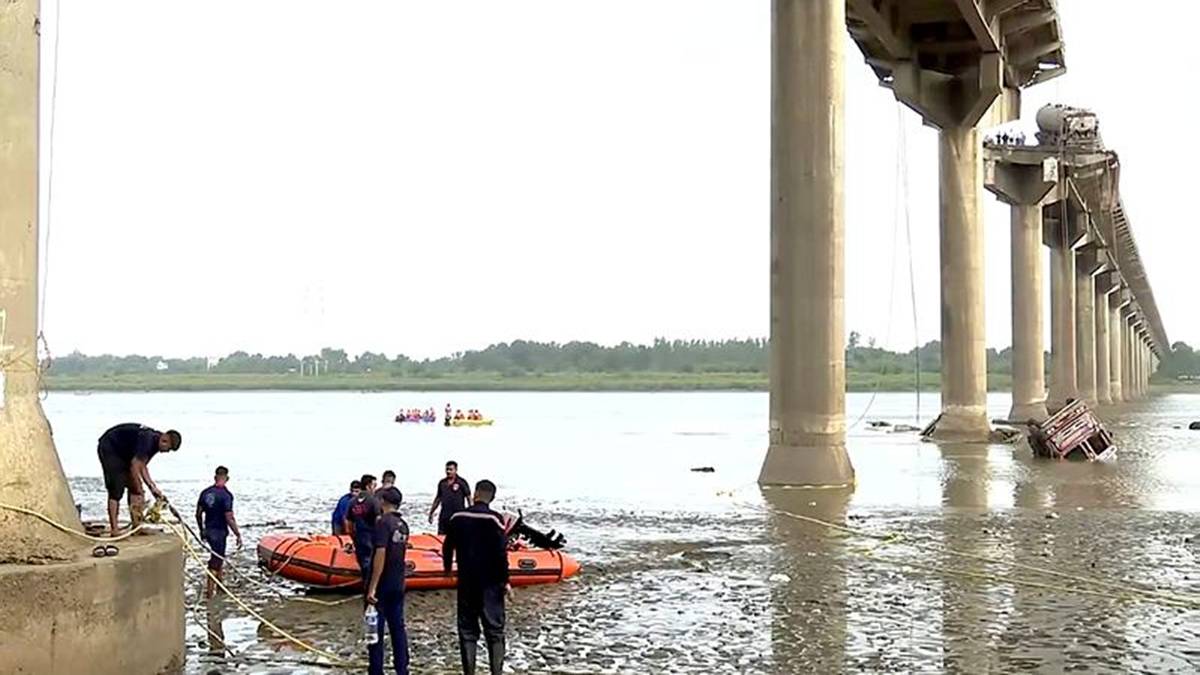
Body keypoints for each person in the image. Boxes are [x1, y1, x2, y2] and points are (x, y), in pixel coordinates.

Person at [442, 479, 510, 675]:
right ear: (491, 498)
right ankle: (496, 672)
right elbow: (500, 553)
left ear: (475, 494)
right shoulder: (495, 519)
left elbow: (447, 546)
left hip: (467, 582)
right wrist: (506, 581)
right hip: (491, 584)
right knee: (495, 632)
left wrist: (447, 570)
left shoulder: (458, 517)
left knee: (468, 632)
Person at [96, 423, 182, 536]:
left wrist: (153, 488)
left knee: (135, 489)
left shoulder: (155, 444)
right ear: (164, 439)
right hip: (111, 447)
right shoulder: (148, 440)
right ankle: (114, 529)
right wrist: (140, 487)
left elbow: (143, 466)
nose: (166, 452)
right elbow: (135, 466)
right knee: (116, 489)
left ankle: (136, 526)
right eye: (168, 448)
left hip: (127, 454)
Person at [366, 486, 411, 675]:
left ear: (383, 501)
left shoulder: (383, 523)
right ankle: (402, 668)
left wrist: (372, 588)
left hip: (383, 584)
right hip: (398, 582)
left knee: (375, 628)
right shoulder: (403, 524)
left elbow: (381, 554)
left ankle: (376, 669)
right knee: (398, 628)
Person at [195, 465, 242, 598]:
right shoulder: (226, 496)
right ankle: (209, 594)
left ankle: (220, 587)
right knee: (215, 561)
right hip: (219, 532)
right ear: (227, 478)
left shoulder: (205, 493)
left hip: (208, 531)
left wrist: (201, 530)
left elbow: (198, 514)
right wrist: (237, 534)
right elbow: (229, 517)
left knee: (219, 557)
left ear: (215, 477)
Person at [345, 474, 380, 589]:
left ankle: (366, 586)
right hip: (372, 536)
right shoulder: (373, 501)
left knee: (363, 563)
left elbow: (348, 522)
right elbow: (378, 520)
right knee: (372, 563)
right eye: (374, 485)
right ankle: (371, 588)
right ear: (369, 486)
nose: (375, 488)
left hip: (359, 536)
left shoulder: (352, 502)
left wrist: (352, 536)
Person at [429, 461, 471, 535]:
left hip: (458, 516)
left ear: (456, 470)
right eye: (447, 469)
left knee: (459, 538)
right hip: (444, 516)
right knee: (441, 537)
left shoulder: (462, 482)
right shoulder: (442, 483)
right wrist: (431, 512)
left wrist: (471, 513)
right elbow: (438, 498)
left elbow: (469, 498)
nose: (448, 471)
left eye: (451, 469)